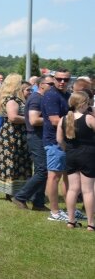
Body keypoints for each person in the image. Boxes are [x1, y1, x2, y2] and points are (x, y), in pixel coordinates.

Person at [12, 74, 54, 211]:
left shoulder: (42, 97)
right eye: (50, 84)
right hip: (36, 137)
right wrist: (54, 119)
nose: (53, 86)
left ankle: (38, 202)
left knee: (43, 170)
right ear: (41, 85)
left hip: (41, 137)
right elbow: (34, 120)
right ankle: (21, 196)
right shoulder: (36, 98)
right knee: (42, 170)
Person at [58, 91, 95, 230]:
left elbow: (59, 140)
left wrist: (67, 149)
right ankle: (91, 223)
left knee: (73, 189)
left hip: (71, 154)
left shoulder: (63, 119)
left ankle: (71, 221)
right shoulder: (89, 118)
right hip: (88, 155)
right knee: (88, 190)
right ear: (83, 103)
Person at [0, 74, 31, 199]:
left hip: (15, 134)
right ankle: (11, 191)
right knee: (13, 162)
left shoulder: (13, 98)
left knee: (17, 161)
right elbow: (13, 117)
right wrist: (30, 119)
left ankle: (17, 190)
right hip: (13, 134)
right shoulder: (12, 100)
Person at [43, 69, 72, 222]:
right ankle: (54, 212)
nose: (62, 82)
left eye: (66, 80)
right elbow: (55, 121)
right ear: (54, 79)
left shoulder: (67, 95)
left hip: (67, 141)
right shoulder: (51, 96)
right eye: (59, 79)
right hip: (54, 142)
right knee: (54, 177)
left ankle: (70, 210)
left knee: (68, 177)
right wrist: (79, 123)